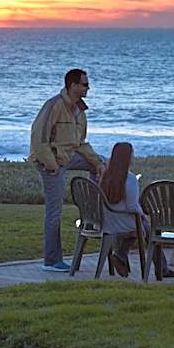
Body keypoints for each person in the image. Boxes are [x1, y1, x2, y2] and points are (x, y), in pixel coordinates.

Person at [29, 68, 105, 272]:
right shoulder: (54, 105)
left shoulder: (80, 111)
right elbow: (38, 137)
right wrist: (50, 164)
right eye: (85, 84)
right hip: (52, 161)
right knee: (54, 211)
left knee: (103, 165)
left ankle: (95, 210)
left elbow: (81, 143)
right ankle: (52, 261)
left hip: (69, 156)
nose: (88, 88)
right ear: (73, 86)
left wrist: (97, 163)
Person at [99, 142, 174, 279]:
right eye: (132, 154)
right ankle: (162, 269)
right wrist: (142, 214)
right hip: (124, 222)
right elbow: (132, 207)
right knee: (150, 229)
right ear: (128, 157)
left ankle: (120, 256)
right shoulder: (129, 179)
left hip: (108, 221)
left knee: (142, 227)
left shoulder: (106, 176)